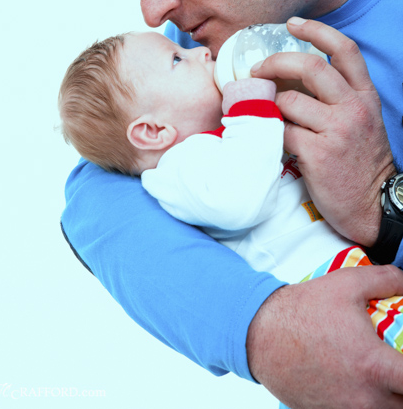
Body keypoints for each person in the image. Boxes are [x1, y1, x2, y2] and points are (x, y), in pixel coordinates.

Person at [53, 0, 403, 407]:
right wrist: (262, 331)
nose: (151, 12)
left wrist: (386, 203)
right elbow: (97, 198)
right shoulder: (223, 35)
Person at [58, 28, 403, 357]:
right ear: (153, 131)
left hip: (355, 268)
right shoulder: (179, 169)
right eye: (177, 59)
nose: (202, 52)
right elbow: (241, 201)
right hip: (318, 285)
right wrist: (251, 108)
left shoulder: (229, 136)